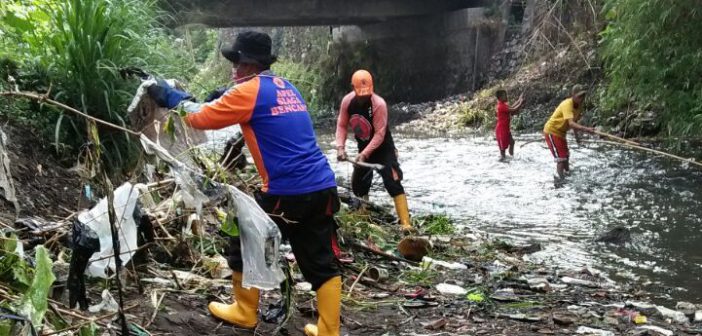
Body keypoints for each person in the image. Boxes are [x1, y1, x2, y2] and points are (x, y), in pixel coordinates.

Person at [149, 31, 341, 336]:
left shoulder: (246, 92)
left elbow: (199, 119)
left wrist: (172, 98)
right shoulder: (286, 86)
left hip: (286, 191)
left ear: (249, 65)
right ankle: (329, 329)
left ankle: (244, 310)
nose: (232, 69)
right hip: (322, 186)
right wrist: (222, 94)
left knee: (240, 235)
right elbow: (251, 102)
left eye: (236, 63)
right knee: (320, 259)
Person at [335, 70, 413, 233]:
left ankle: (406, 224)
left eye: (366, 94)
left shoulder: (379, 104)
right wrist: (340, 148)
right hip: (363, 146)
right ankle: (363, 215)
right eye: (360, 94)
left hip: (383, 149)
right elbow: (342, 125)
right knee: (359, 183)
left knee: (393, 182)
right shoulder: (347, 102)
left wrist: (364, 154)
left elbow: (379, 134)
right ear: (352, 88)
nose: (364, 97)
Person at [543, 85, 595, 178]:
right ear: (573, 95)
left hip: (562, 133)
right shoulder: (567, 104)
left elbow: (574, 122)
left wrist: (577, 138)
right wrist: (586, 129)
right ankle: (560, 180)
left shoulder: (579, 107)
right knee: (561, 159)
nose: (581, 98)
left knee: (566, 156)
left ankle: (567, 175)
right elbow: (571, 123)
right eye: (579, 96)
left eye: (583, 96)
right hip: (552, 131)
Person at [494, 89, 525, 160]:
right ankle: (503, 160)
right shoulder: (501, 106)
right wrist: (520, 102)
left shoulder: (503, 105)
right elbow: (513, 110)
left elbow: (512, 107)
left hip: (505, 128)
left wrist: (519, 100)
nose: (506, 97)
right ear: (500, 98)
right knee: (503, 149)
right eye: (505, 96)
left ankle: (511, 157)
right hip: (501, 129)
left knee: (512, 142)